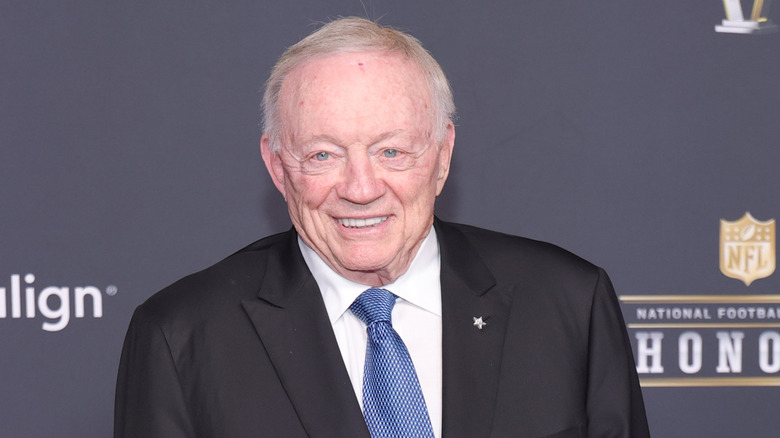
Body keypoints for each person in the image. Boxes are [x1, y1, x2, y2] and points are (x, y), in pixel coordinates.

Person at [114, 17, 650, 438]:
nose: (361, 188)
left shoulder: (567, 302)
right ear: (277, 166)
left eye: (391, 151)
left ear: (443, 155)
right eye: (323, 155)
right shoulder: (181, 337)